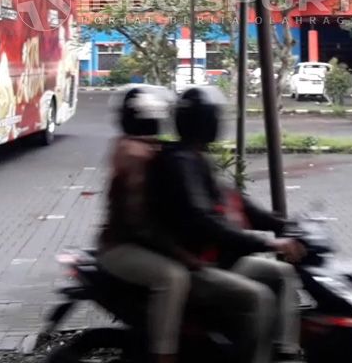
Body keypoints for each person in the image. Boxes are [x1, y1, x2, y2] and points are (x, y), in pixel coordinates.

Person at [150, 85, 306, 363]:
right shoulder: (180, 162)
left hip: (219, 259)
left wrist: (283, 224)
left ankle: (285, 352)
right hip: (195, 265)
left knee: (283, 274)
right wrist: (267, 241)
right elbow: (205, 222)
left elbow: (236, 200)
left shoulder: (196, 156)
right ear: (206, 122)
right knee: (259, 298)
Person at [95, 85, 197, 363]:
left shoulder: (146, 147)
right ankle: (163, 354)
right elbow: (139, 221)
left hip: (140, 240)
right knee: (173, 277)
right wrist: (179, 252)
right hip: (122, 245)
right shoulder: (134, 153)